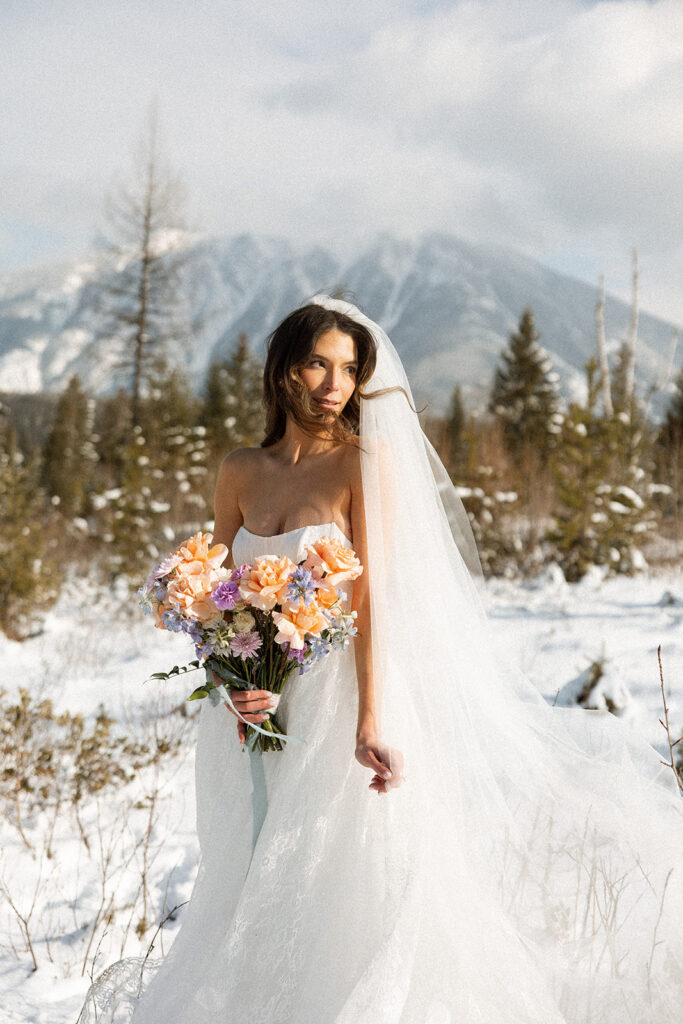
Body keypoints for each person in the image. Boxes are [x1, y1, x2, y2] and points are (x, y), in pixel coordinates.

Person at [80, 295, 683, 1024]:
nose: (335, 383)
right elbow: (216, 591)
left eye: (349, 369)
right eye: (318, 363)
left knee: (325, 874)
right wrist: (230, 679)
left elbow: (373, 600)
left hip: (334, 700)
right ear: (282, 372)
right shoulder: (240, 469)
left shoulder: (363, 462)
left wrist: (369, 719)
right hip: (246, 708)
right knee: (243, 870)